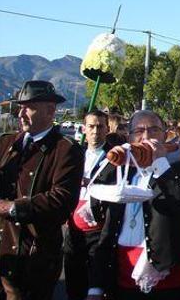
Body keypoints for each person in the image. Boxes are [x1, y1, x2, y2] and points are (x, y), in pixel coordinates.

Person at [88, 110, 180, 300]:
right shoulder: (122, 172)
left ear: (165, 135)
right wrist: (114, 159)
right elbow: (100, 212)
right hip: (121, 276)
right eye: (139, 131)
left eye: (154, 130)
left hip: (166, 281)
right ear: (129, 137)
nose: (146, 136)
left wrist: (160, 163)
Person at [0, 81, 84, 300]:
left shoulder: (65, 150)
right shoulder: (6, 143)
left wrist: (12, 207)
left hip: (34, 259)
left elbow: (62, 199)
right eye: (20, 107)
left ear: (50, 110)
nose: (21, 113)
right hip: (3, 253)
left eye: (29, 107)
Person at [65, 110, 120, 300]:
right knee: (74, 283)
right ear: (84, 129)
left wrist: (94, 184)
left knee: (96, 286)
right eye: (91, 126)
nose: (95, 131)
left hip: (99, 230)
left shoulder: (115, 157)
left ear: (107, 129)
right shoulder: (73, 155)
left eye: (100, 126)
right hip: (74, 229)